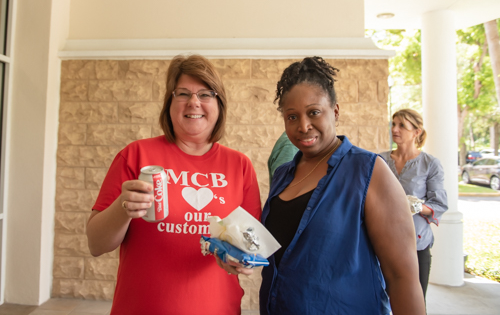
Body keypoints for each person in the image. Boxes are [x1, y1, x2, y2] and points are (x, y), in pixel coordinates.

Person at [86, 54, 262, 315]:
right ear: (169, 103)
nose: (194, 102)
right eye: (183, 93)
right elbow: (96, 244)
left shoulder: (240, 166)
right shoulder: (135, 155)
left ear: (219, 104)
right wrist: (123, 208)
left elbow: (251, 245)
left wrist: (240, 262)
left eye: (205, 94)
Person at [259, 56, 426, 315]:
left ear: (335, 111)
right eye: (292, 116)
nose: (303, 125)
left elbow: (401, 277)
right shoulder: (283, 175)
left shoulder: (368, 171)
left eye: (314, 112)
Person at [380, 109, 448, 301]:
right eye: (393, 124)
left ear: (416, 131)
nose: (395, 129)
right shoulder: (380, 160)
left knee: (414, 305)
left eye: (402, 125)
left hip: (416, 245)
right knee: (381, 304)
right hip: (382, 244)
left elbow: (439, 203)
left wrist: (416, 206)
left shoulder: (430, 164)